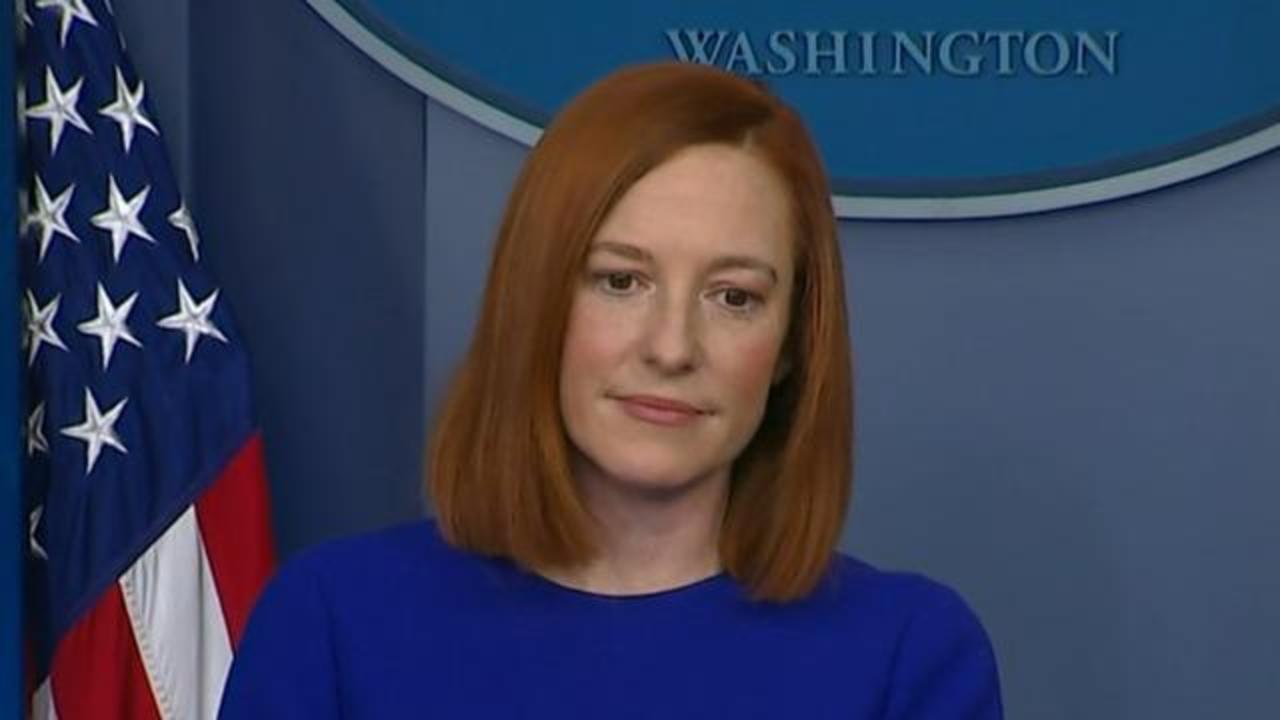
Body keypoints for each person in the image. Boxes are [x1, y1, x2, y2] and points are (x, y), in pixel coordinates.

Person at [219, 62, 1002, 719]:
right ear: (538, 303)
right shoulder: (335, 624)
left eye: (734, 297)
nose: (671, 348)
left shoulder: (909, 654)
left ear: (793, 345)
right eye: (621, 281)